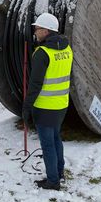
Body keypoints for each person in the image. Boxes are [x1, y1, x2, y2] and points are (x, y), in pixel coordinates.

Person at [22, 13, 73, 191]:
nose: (35, 32)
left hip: (44, 107)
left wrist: (26, 108)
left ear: (46, 30)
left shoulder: (42, 53)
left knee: (48, 144)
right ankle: (59, 172)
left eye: (37, 29)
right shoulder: (67, 49)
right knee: (56, 138)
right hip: (61, 105)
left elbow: (34, 85)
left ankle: (53, 181)